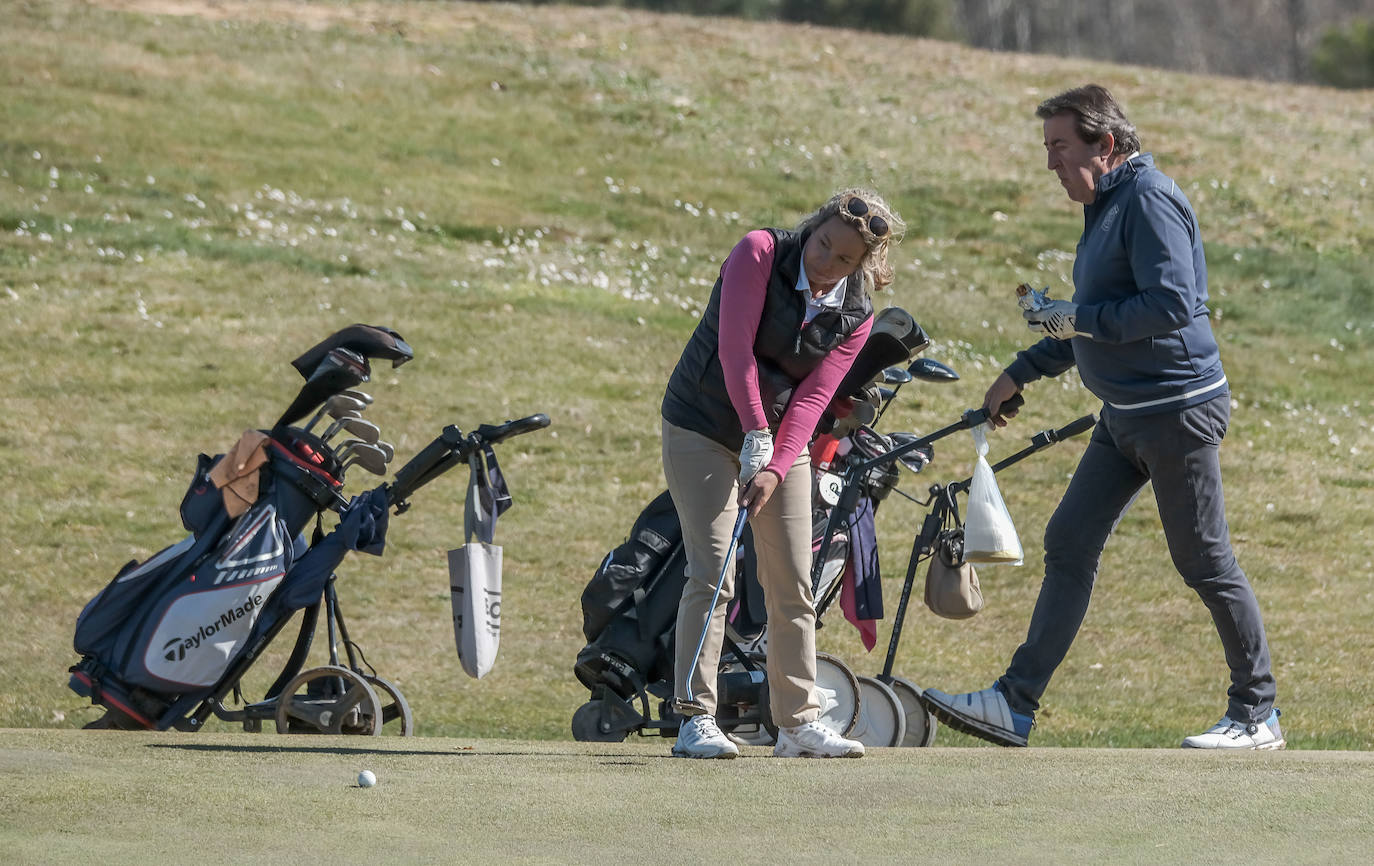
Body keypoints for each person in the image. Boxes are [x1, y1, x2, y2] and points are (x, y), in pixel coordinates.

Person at [920, 85, 1282, 750]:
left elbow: (1173, 302)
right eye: (1049, 148)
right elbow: (1096, 316)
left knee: (1203, 561)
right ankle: (1014, 705)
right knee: (1069, 542)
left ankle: (1257, 714)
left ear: (1106, 145)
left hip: (1177, 413)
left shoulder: (1148, 198)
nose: (1051, 163)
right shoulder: (1109, 206)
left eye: (1060, 147)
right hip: (1126, 416)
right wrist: (1020, 371)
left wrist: (1076, 318)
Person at [660, 189, 904, 759]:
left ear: (862, 266)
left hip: (779, 439)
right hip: (700, 424)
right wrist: (754, 434)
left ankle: (796, 724)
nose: (825, 263)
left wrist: (773, 461)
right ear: (812, 227)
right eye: (822, 245)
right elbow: (735, 352)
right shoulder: (759, 252)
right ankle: (696, 717)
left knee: (792, 580)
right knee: (714, 570)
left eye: (843, 259)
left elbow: (815, 399)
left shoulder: (856, 315)